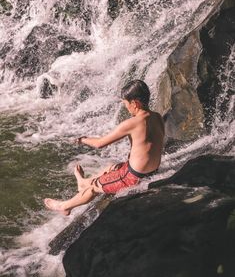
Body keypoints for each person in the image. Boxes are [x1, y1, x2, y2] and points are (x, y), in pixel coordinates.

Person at [44, 80, 165, 215]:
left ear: (135, 103)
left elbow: (100, 143)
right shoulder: (157, 117)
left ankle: (65, 206)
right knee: (112, 168)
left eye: (125, 103)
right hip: (152, 171)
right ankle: (83, 182)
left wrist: (82, 139)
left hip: (133, 178)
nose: (126, 107)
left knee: (94, 188)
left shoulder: (132, 123)